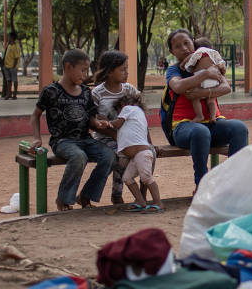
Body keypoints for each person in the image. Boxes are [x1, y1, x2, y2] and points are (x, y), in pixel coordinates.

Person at [30, 49, 115, 211]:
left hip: (85, 139)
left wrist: (97, 124)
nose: (85, 74)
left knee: (109, 156)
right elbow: (35, 116)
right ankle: (63, 199)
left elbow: (91, 118)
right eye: (82, 70)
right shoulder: (51, 91)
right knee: (78, 156)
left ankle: (85, 196)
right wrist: (36, 138)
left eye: (87, 70)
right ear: (68, 67)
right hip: (62, 141)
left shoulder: (85, 92)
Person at [164, 29, 248, 192]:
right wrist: (204, 75)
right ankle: (202, 187)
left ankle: (234, 185)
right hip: (184, 127)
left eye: (186, 43)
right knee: (200, 132)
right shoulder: (174, 71)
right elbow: (178, 86)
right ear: (172, 51)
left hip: (212, 122)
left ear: (193, 42)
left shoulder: (208, 62)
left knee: (239, 128)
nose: (184, 48)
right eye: (177, 46)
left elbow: (226, 87)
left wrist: (202, 92)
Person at [91, 50, 141, 205]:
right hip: (105, 138)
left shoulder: (129, 90)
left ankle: (143, 193)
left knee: (146, 153)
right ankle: (116, 194)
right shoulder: (97, 93)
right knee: (121, 155)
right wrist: (116, 136)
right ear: (109, 71)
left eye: (127, 69)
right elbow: (95, 123)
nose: (126, 73)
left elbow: (139, 115)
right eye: (122, 69)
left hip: (128, 138)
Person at [100, 93, 164, 213]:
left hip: (141, 154)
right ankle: (140, 201)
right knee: (127, 178)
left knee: (146, 178)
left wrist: (107, 123)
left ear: (123, 105)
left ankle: (158, 202)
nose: (119, 114)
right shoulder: (139, 115)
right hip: (137, 156)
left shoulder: (128, 108)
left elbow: (117, 123)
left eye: (119, 111)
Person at [181, 37, 226, 122]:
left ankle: (199, 116)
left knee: (195, 98)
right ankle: (213, 117)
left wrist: (183, 64)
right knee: (211, 99)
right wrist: (222, 71)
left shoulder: (198, 51)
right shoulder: (213, 53)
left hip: (201, 77)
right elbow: (221, 63)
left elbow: (189, 59)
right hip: (213, 79)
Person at [3, 32, 20, 100]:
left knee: (14, 80)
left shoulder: (16, 46)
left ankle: (15, 94)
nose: (8, 38)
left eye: (9, 37)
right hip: (7, 66)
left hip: (12, 67)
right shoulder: (9, 45)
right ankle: (9, 94)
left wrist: (14, 66)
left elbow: (16, 57)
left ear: (12, 37)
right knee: (8, 80)